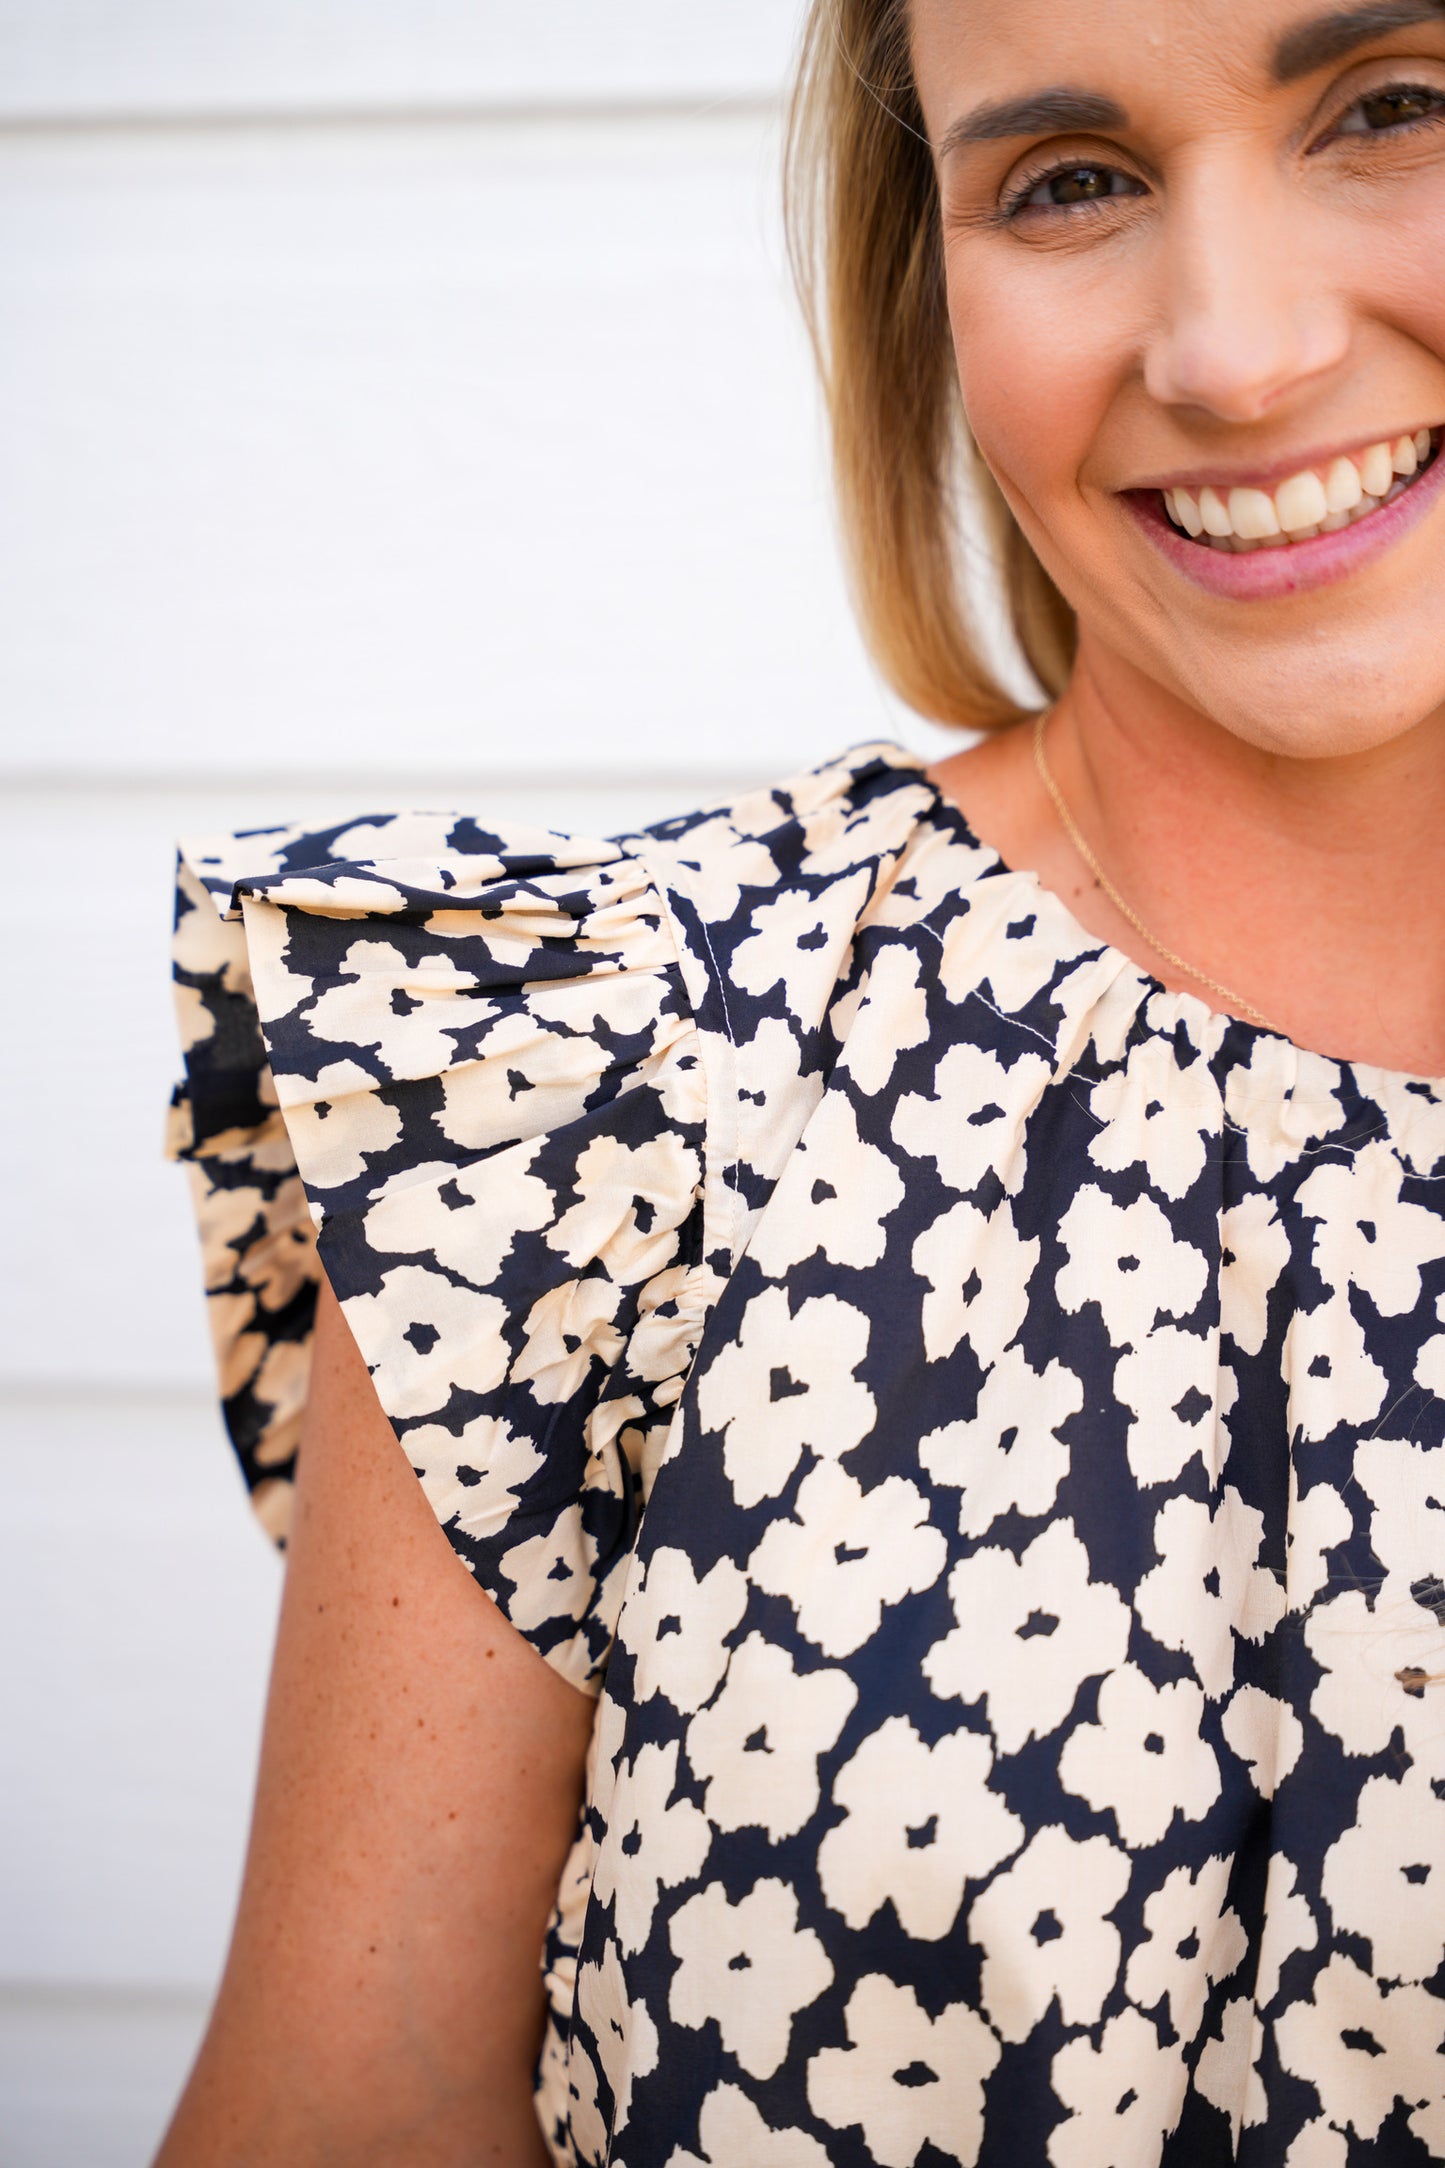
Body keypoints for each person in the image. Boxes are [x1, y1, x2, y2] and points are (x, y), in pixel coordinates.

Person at [155, 0, 1445, 2159]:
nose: (1234, 349)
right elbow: (346, 2105)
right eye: (1073, 180)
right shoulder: (608, 1075)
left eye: (1396, 108)